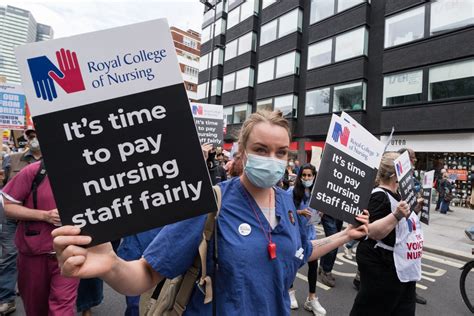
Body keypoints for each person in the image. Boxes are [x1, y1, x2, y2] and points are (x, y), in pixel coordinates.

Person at [52, 110, 369, 316]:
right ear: (242, 150)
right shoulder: (211, 204)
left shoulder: (287, 203)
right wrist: (112, 266)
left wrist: (345, 235)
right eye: (261, 150)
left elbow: (300, 252)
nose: (273, 158)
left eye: (281, 152)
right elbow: (147, 274)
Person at [350, 152, 424, 316]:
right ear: (394, 175)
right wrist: (396, 215)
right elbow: (371, 231)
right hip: (382, 267)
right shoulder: (379, 196)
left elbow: (402, 226)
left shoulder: (399, 195)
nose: (409, 176)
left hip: (401, 267)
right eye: (405, 172)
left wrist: (414, 210)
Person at [3, 160, 79, 315]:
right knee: (36, 308)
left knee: (62, 307)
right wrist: (45, 216)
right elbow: (7, 206)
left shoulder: (86, 169)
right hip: (34, 254)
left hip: (70, 254)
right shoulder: (35, 171)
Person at [0, 128, 42, 315]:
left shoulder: (55, 161)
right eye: (30, 135)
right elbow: (4, 189)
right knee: (9, 256)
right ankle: (7, 299)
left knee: (40, 258)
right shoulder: (12, 159)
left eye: (37, 135)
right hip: (12, 218)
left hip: (40, 220)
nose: (34, 139)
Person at [287, 163, 326, 316]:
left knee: (312, 265)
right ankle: (289, 291)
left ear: (314, 176)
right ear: (300, 176)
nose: (307, 178)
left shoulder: (318, 193)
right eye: (304, 175)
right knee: (293, 264)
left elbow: (320, 211)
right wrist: (299, 212)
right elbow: (285, 212)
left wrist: (322, 213)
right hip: (295, 234)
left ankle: (312, 298)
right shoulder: (291, 191)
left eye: (310, 175)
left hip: (310, 235)